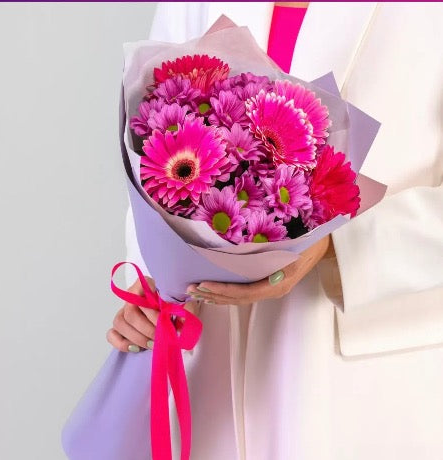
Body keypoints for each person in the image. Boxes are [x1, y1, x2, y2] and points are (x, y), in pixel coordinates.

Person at [107, 3, 443, 459]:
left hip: (364, 385)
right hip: (209, 373)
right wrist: (152, 287)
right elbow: (154, 140)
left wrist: (335, 249)